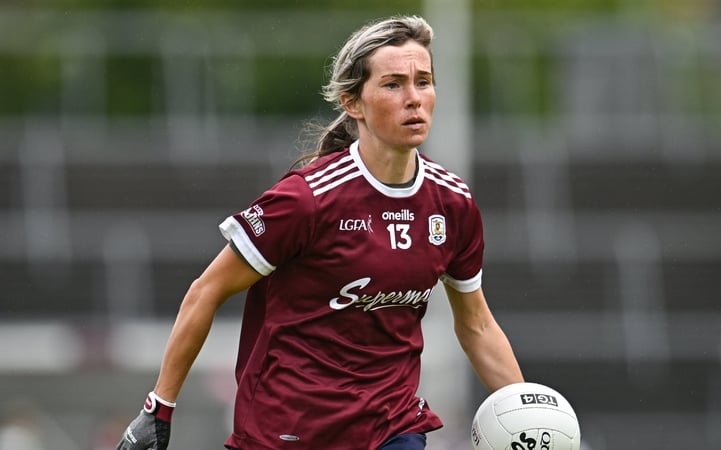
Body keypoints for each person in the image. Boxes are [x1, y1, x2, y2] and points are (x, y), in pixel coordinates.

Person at [116, 15, 524, 450]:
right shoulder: (307, 200)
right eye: (392, 85)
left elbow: (477, 325)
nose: (414, 99)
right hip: (286, 431)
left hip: (391, 428)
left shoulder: (453, 204)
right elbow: (205, 292)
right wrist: (158, 408)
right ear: (353, 103)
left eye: (423, 81)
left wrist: (524, 414)